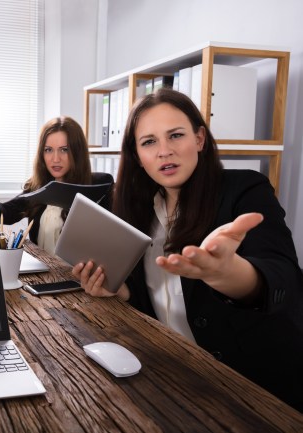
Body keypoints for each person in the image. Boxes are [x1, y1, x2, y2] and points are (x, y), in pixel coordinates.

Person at [72, 87, 303, 411]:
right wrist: (122, 292)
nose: (164, 151)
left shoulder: (245, 190)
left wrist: (227, 273)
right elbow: (161, 299)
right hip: (179, 378)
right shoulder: (134, 209)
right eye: (149, 141)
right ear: (137, 156)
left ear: (199, 139)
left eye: (176, 135)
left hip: (258, 391)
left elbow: (284, 280)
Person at [0, 116, 113, 255]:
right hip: (45, 273)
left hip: (82, 277)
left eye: (64, 150)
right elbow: (8, 213)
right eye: (48, 150)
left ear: (77, 152)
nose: (55, 159)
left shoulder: (98, 185)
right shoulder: (37, 186)